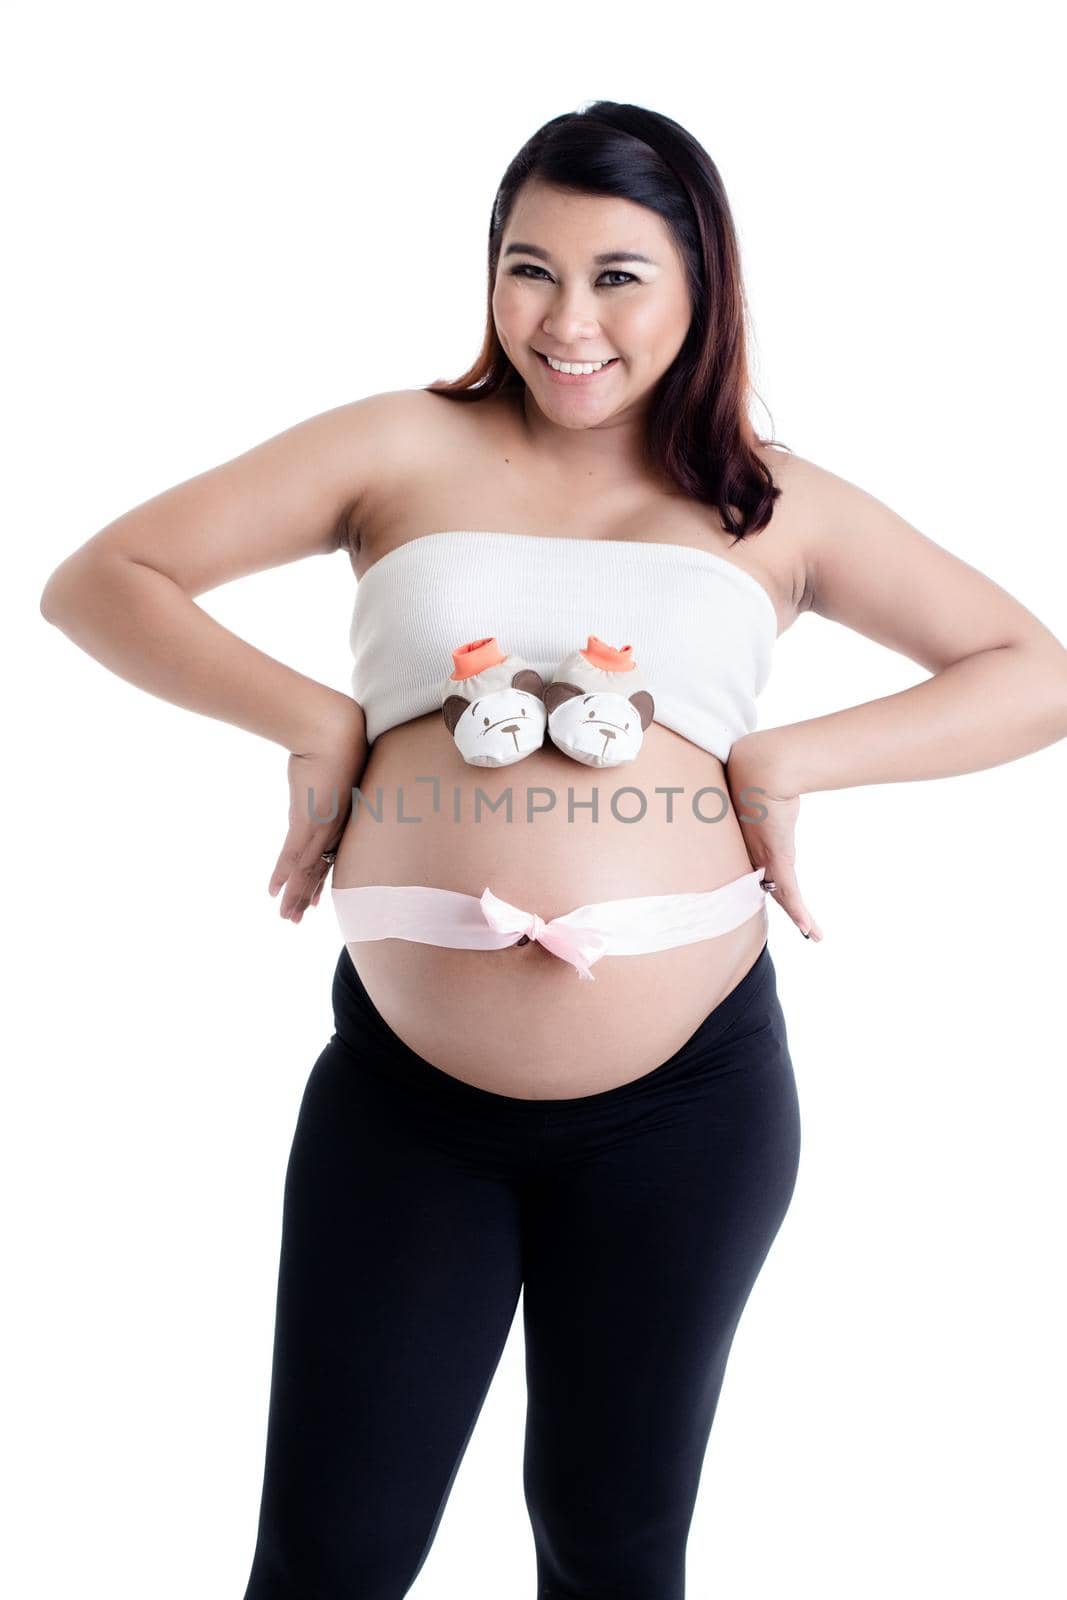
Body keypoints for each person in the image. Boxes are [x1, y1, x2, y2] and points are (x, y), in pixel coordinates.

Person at [39, 101, 1067, 1600]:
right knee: (328, 1557)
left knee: (612, 1546)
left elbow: (1031, 669)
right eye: (531, 269)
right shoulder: (401, 442)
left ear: (701, 284)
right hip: (410, 1107)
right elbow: (99, 580)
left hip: (689, 1112)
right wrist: (316, 721)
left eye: (617, 276)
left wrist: (790, 759)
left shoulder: (768, 496)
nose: (565, 320)